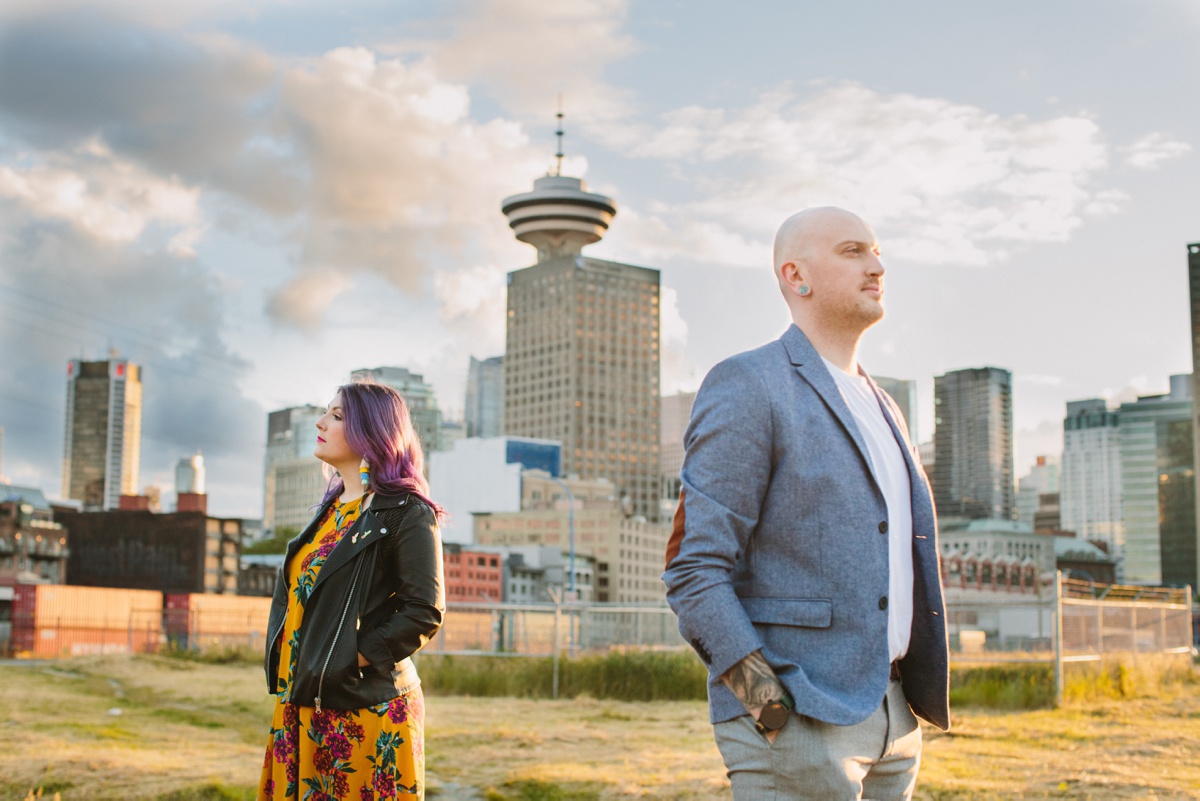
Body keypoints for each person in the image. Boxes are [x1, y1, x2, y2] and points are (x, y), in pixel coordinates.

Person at [663, 207, 949, 799]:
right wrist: (767, 707)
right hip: (797, 723)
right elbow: (694, 571)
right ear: (797, 276)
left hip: (896, 722)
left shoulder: (886, 405)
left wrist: (905, 711)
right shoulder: (750, 384)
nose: (878, 265)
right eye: (853, 251)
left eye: (876, 250)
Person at [258, 380, 445, 800]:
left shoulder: (407, 513)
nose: (321, 422)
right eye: (326, 412)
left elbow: (423, 611)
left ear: (372, 431)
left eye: (338, 416)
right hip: (302, 701)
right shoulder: (328, 510)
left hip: (366, 707)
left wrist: (345, 658)